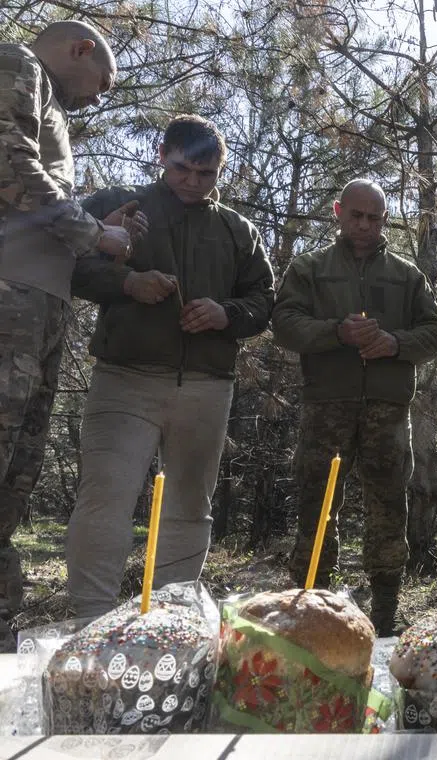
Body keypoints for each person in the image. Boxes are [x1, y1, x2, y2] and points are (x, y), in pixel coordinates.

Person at [66, 114, 274, 618]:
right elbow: (69, 265)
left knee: (189, 508)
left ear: (221, 171)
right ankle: (88, 621)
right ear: (161, 156)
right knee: (105, 499)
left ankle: (172, 623)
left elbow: (265, 300)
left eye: (207, 174)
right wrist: (127, 283)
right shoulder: (120, 204)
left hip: (206, 387)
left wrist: (226, 314)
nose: (193, 182)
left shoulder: (237, 229)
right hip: (124, 379)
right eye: (182, 169)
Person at [0, 21, 136, 646]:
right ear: (80, 49)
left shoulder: (49, 102)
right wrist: (94, 232)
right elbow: (8, 158)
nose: (97, 97)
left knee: (15, 476)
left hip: (40, 307)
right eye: (102, 82)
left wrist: (97, 231)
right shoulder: (17, 64)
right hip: (10, 298)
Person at [272, 179, 437, 635]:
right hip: (326, 405)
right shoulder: (310, 268)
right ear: (338, 212)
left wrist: (394, 343)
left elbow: (434, 333)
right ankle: (311, 607)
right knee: (317, 503)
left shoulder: (407, 275)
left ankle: (385, 611)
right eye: (357, 216)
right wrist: (336, 332)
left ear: (384, 219)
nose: (365, 225)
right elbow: (284, 323)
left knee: (388, 506)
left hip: (387, 409)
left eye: (374, 218)